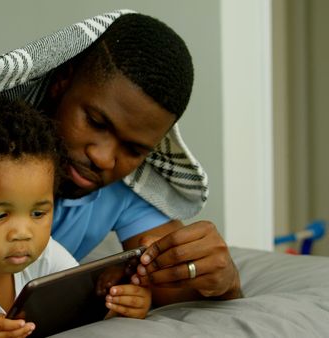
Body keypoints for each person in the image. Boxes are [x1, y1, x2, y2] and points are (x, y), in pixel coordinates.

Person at [35, 13, 242, 304]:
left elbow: (179, 280)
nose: (105, 159)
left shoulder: (124, 186)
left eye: (133, 150)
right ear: (62, 80)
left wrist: (226, 282)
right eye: (96, 122)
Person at [0, 97, 152, 338]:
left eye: (38, 213)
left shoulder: (42, 253)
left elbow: (81, 309)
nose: (23, 232)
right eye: (0, 215)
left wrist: (119, 306)